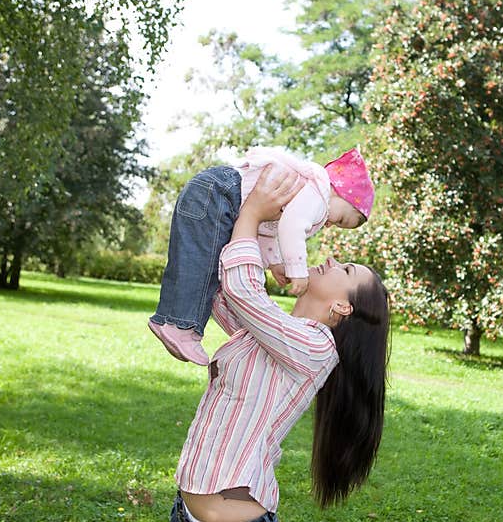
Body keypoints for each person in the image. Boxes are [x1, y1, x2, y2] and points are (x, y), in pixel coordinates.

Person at [167, 165, 392, 522]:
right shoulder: (276, 332)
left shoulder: (316, 348)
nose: (333, 257)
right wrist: (263, 235)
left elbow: (242, 291)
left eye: (345, 270)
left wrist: (252, 215)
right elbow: (223, 290)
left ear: (343, 307)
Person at [148, 146, 375, 365]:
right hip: (223, 194)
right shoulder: (318, 193)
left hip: (213, 188)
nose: (333, 224)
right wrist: (297, 270)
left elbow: (268, 229)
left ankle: (166, 319)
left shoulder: (307, 193)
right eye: (342, 219)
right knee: (202, 265)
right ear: (338, 191)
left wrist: (274, 262)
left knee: (191, 259)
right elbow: (292, 226)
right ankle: (183, 327)